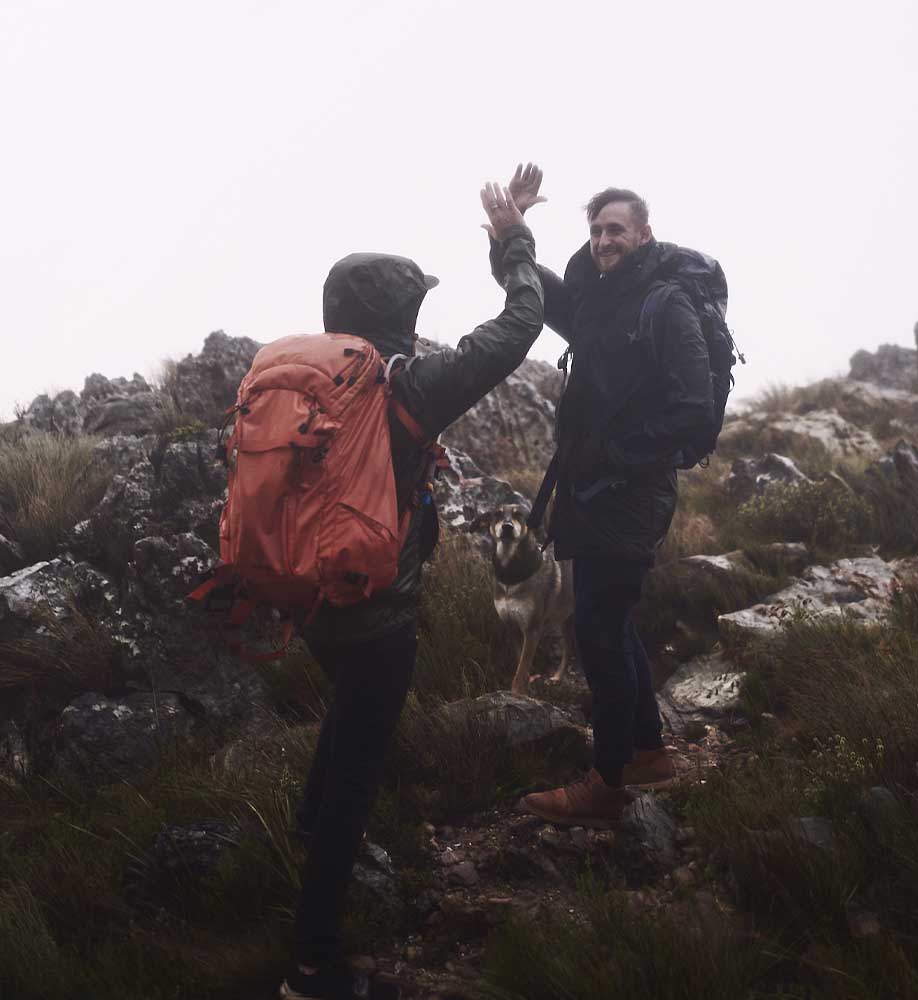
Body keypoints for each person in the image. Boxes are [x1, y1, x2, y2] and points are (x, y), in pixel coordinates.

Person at [280, 182, 543, 1000]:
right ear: (399, 317)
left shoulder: (296, 381)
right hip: (379, 613)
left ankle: (300, 826)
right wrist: (513, 241)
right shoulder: (410, 386)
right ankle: (314, 966)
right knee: (359, 772)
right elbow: (521, 325)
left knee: (346, 714)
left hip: (308, 602)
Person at [487, 164, 717, 829]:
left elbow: (695, 414)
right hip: (592, 495)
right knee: (607, 621)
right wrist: (513, 234)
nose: (602, 240)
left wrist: (617, 456)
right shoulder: (602, 307)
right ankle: (646, 753)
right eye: (594, 230)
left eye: (615, 228)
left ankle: (607, 781)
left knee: (597, 628)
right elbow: (537, 294)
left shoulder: (664, 304)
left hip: (631, 494)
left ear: (644, 233)